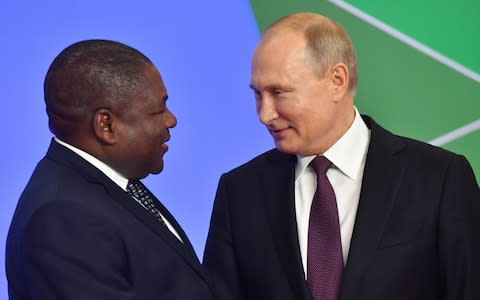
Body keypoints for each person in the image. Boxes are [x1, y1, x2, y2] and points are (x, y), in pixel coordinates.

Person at [203, 12, 480, 300]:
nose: (265, 114)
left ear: (337, 80)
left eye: (279, 92)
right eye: (258, 94)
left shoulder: (439, 179)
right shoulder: (239, 192)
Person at [6, 39, 215, 299]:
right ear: (106, 125)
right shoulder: (64, 217)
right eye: (158, 110)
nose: (171, 120)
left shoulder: (102, 186)